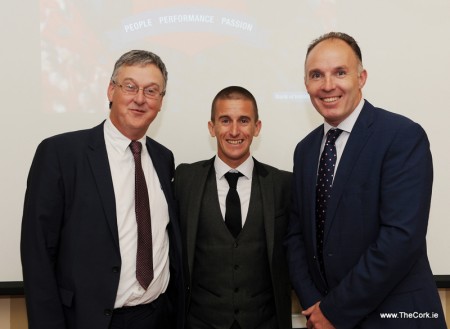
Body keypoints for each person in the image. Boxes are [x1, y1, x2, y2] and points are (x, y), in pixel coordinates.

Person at [284, 32, 447, 329]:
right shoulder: (305, 150)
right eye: (316, 75)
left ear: (362, 78)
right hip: (323, 316)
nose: (328, 85)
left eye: (340, 72)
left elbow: (400, 238)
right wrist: (312, 304)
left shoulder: (402, 137)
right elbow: (296, 236)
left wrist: (334, 309)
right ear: (306, 84)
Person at [21, 50, 185, 329]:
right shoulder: (61, 154)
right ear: (111, 90)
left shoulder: (163, 158)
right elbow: (37, 252)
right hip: (89, 321)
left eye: (152, 91)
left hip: (157, 318)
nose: (140, 98)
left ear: (161, 101)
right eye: (130, 86)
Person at [174, 86, 293, 329]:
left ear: (257, 128)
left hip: (265, 322)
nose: (235, 131)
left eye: (244, 121)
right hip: (199, 322)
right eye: (225, 120)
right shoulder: (185, 180)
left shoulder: (283, 185)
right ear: (212, 127)